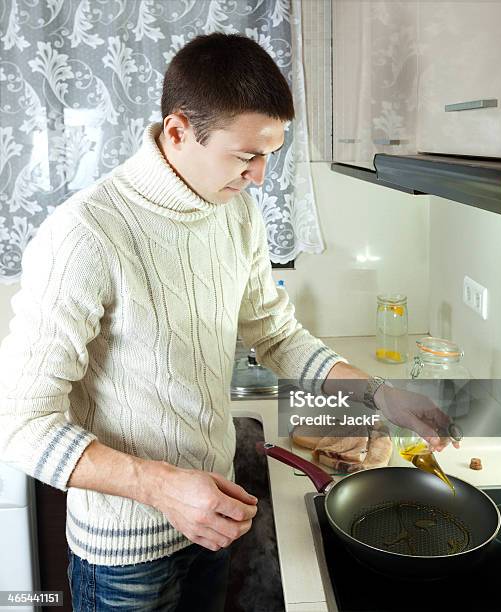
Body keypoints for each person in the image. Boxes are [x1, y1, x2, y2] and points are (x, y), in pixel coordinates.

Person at [0, 33, 453, 612]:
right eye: (246, 155)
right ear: (179, 131)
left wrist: (379, 394)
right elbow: (19, 424)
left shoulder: (234, 212)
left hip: (212, 518)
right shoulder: (85, 235)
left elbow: (277, 334)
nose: (260, 176)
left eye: (271, 154)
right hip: (124, 555)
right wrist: (163, 489)